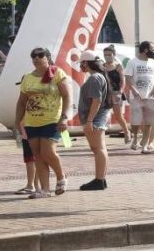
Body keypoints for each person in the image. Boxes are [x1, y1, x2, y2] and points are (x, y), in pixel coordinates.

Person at [13, 47, 71, 199]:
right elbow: (21, 102)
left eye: (40, 55)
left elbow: (67, 96)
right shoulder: (27, 78)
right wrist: (17, 121)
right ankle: (44, 190)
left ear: (47, 57)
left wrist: (64, 117)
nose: (36, 58)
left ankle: (61, 177)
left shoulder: (57, 73)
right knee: (37, 155)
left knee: (48, 152)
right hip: (32, 122)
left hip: (52, 120)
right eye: (33, 56)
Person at [77, 50, 111, 190]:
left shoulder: (94, 78)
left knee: (98, 148)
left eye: (82, 63)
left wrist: (90, 120)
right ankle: (101, 178)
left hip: (95, 119)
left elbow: (96, 101)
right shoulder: (98, 76)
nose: (81, 66)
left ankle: (99, 179)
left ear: (86, 63)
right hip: (98, 117)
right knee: (99, 148)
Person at [125, 41, 154, 153]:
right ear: (145, 50)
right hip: (136, 97)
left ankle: (144, 146)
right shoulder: (132, 62)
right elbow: (127, 77)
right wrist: (133, 90)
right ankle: (135, 139)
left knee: (149, 121)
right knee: (136, 121)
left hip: (151, 97)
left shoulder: (153, 62)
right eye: (152, 48)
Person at [102, 45, 130, 144]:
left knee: (118, 116)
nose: (107, 57)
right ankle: (101, 138)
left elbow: (123, 81)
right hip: (105, 95)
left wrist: (120, 92)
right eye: (105, 55)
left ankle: (126, 132)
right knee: (103, 115)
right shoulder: (102, 67)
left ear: (114, 55)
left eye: (109, 55)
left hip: (116, 93)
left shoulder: (118, 66)